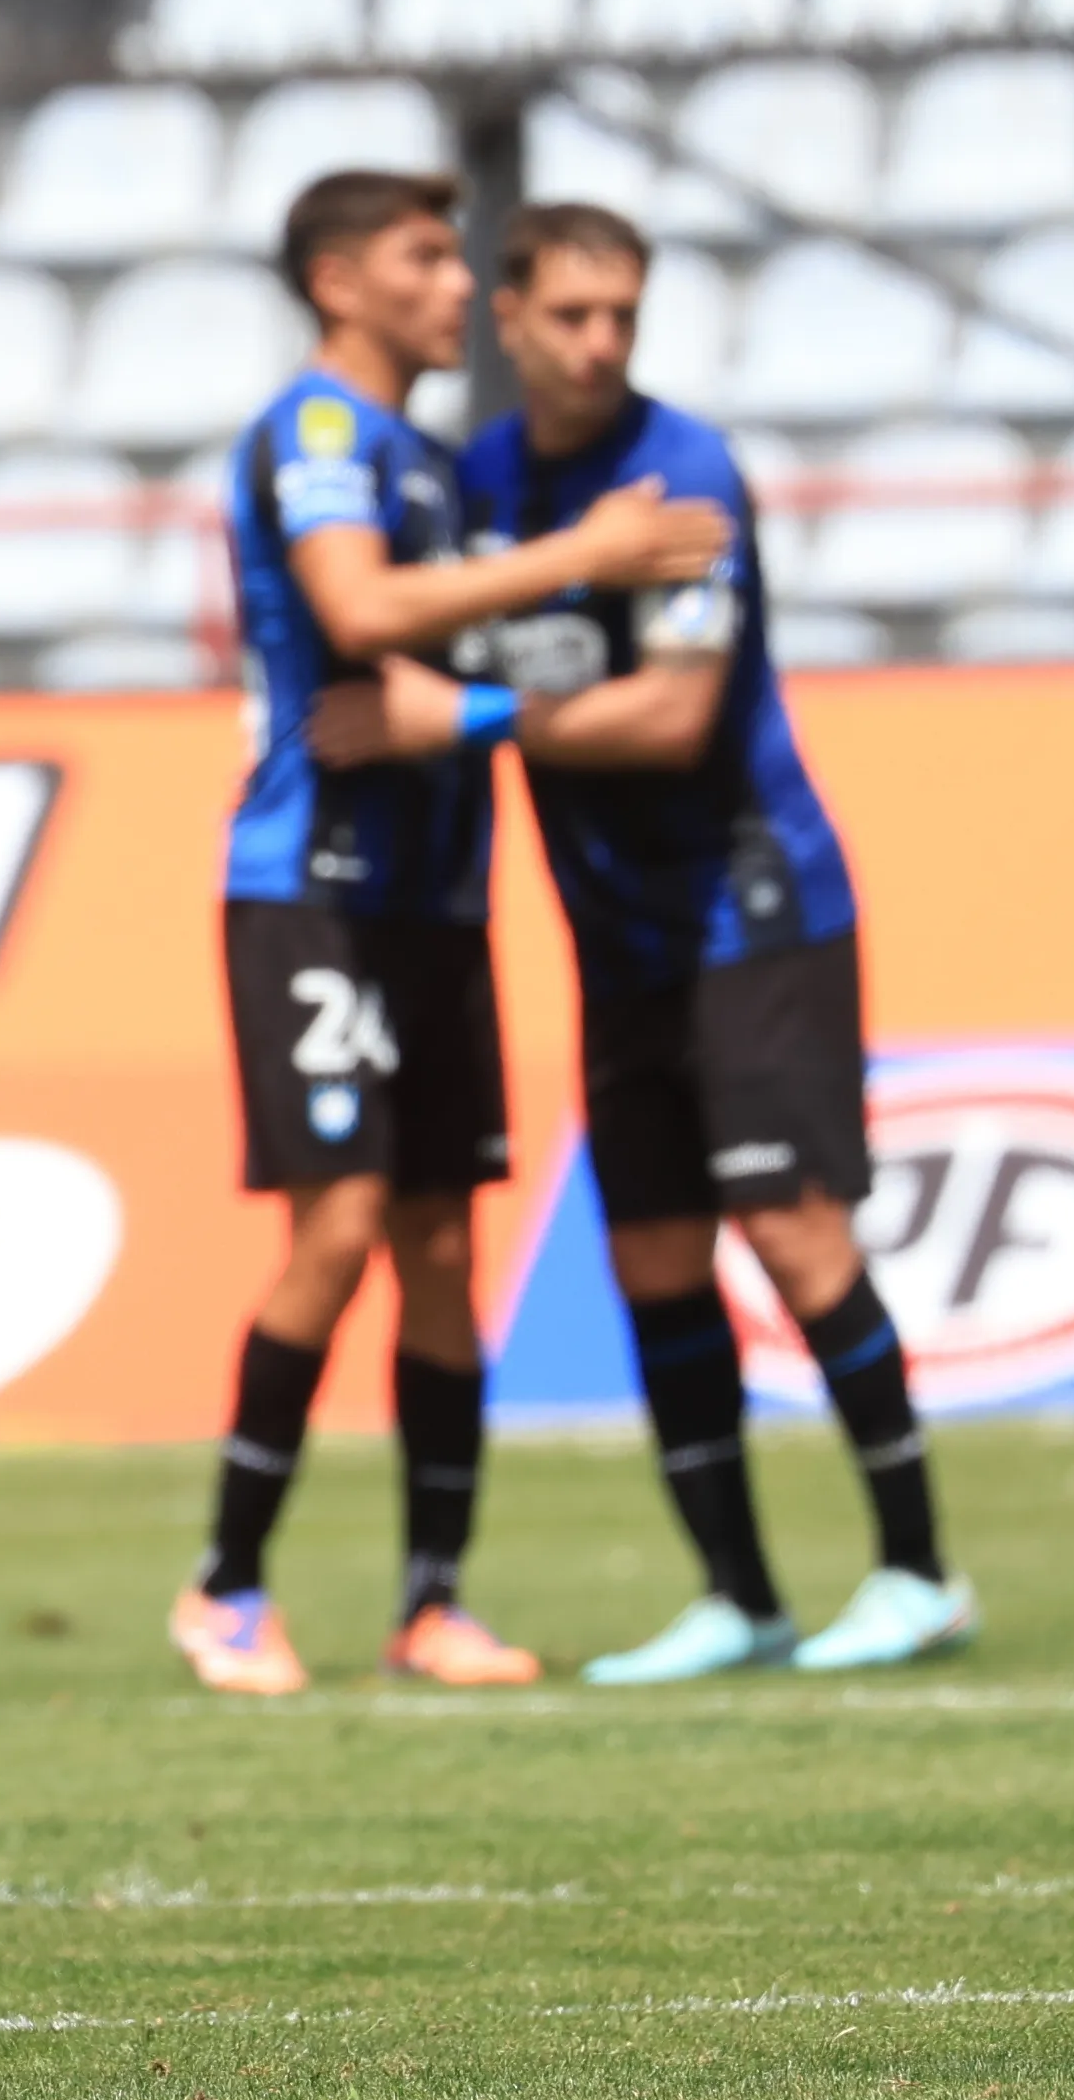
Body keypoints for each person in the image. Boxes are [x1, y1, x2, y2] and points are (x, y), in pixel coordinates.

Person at [309, 199, 977, 1682]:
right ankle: (741, 1597)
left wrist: (463, 715)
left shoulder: (680, 473)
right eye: (571, 315)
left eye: (622, 315)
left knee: (794, 1236)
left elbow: (675, 716)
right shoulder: (481, 484)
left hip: (751, 909)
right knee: (657, 1259)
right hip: (614, 937)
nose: (600, 343)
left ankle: (921, 1573)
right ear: (510, 318)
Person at [172, 168, 721, 1698]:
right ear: (339, 281)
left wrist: (488, 706)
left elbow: (442, 670)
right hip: (314, 885)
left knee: (437, 1248)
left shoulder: (426, 456)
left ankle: (432, 1603)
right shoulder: (320, 433)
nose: (457, 285)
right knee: (340, 1224)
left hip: (436, 893)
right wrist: (584, 556)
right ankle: (226, 1587)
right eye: (424, 257)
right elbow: (357, 615)